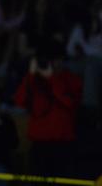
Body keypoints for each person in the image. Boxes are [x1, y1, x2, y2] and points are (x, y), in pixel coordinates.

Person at [14, 44, 82, 177]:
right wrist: (31, 75)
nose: (50, 63)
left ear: (62, 60)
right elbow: (20, 101)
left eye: (54, 59)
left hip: (63, 144)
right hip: (39, 144)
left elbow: (70, 103)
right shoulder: (34, 79)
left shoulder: (72, 79)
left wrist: (51, 78)